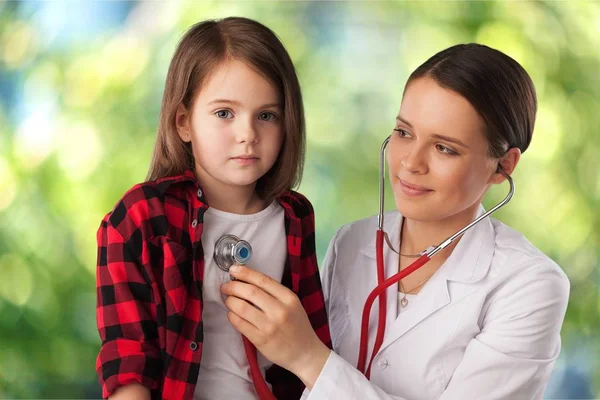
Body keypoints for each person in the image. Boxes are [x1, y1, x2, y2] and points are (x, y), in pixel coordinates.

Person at [220, 43, 570, 399]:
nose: (410, 163)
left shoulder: (529, 285)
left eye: (444, 148)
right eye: (404, 133)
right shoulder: (352, 242)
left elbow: (314, 365)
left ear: (503, 166)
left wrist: (307, 357)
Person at [95, 17, 331, 400]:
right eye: (224, 113)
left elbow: (311, 346)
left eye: (266, 115)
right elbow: (128, 359)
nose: (248, 134)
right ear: (184, 122)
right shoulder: (140, 218)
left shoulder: (295, 216)